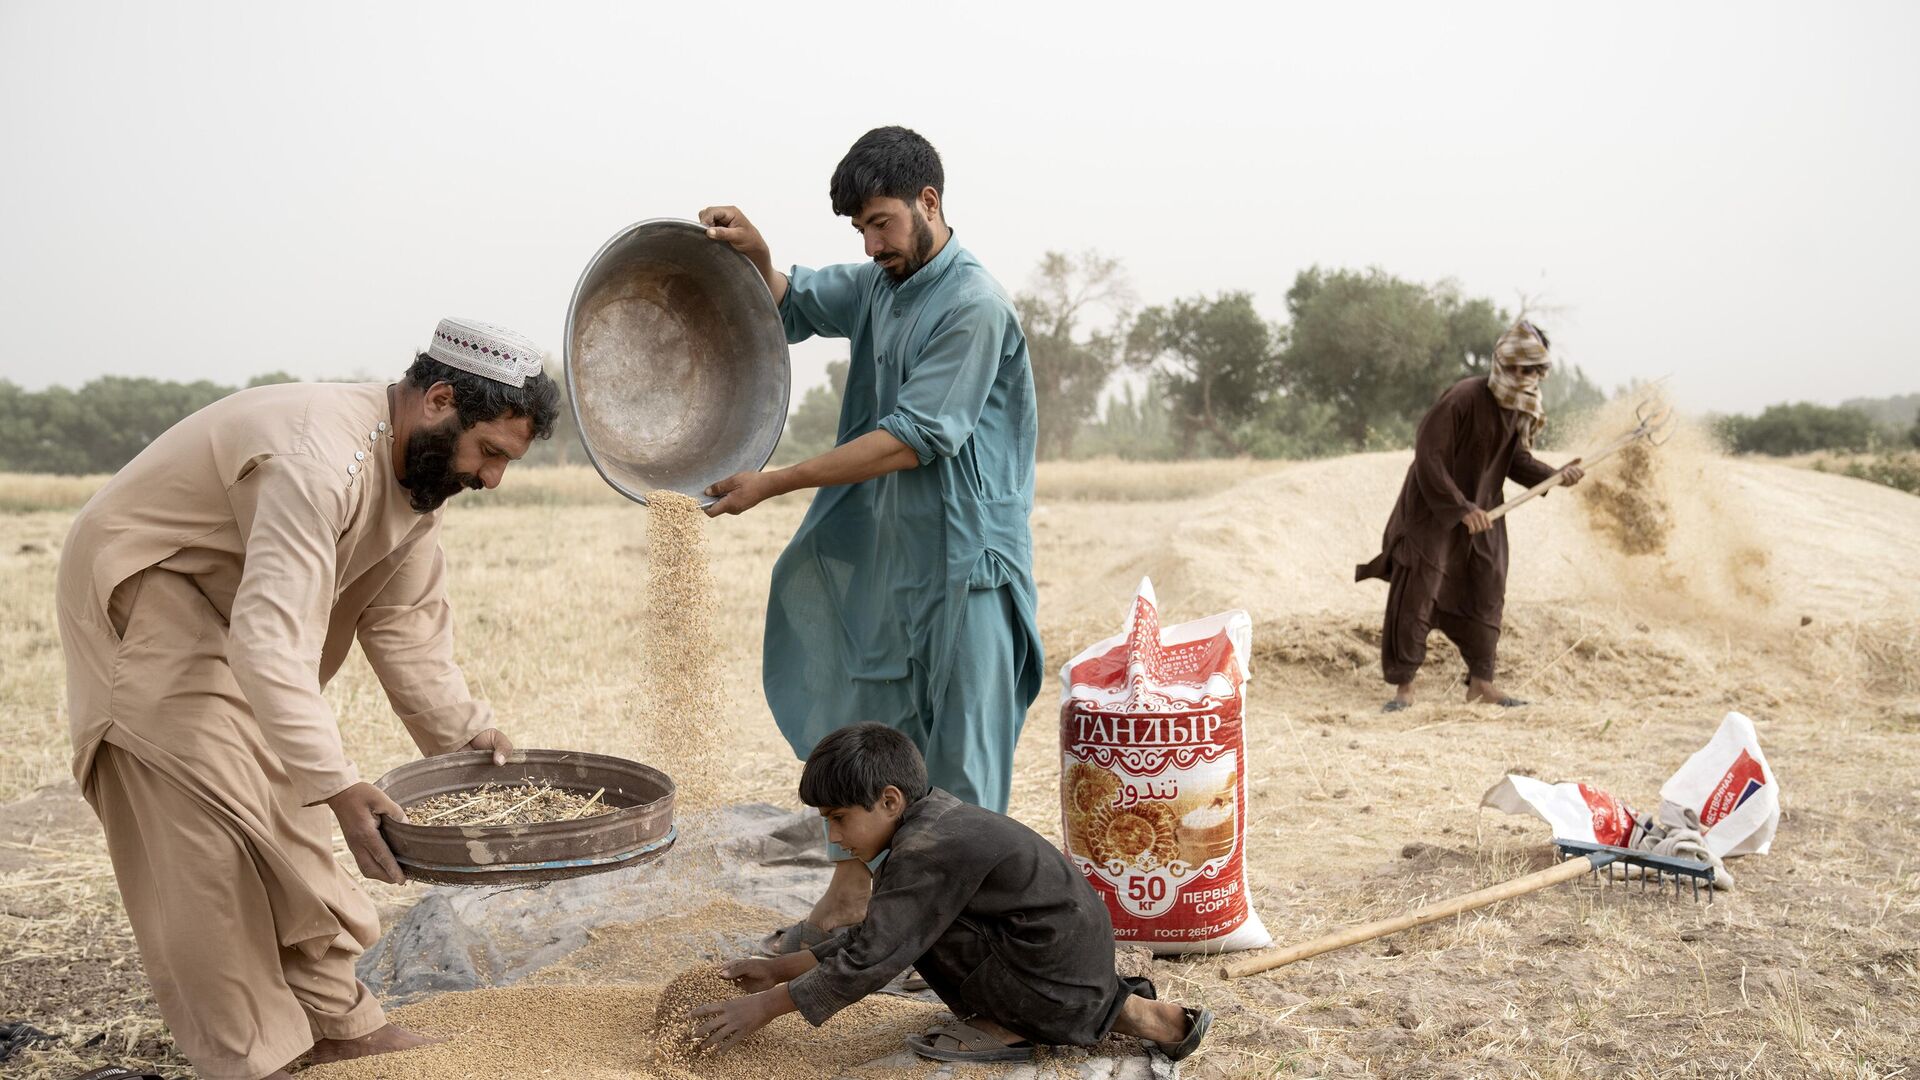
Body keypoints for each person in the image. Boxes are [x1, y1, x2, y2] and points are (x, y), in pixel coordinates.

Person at [55, 318, 561, 1080]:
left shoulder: (419, 484)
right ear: (439, 399)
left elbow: (406, 629)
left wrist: (470, 746)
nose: (491, 479)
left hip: (227, 620)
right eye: (489, 452)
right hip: (147, 591)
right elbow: (269, 641)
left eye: (505, 462)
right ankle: (253, 1059)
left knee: (285, 821)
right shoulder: (315, 460)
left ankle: (340, 1029)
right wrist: (337, 785)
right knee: (210, 844)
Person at [697, 126, 1042, 955]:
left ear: (930, 203)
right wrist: (760, 254)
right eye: (859, 230)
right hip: (896, 563)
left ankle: (965, 944)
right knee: (874, 741)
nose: (872, 243)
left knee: (960, 760)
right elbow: (795, 300)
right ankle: (848, 905)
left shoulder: (971, 304)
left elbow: (914, 436)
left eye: (883, 223)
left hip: (969, 569)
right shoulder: (883, 284)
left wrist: (775, 480)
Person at [688, 724, 1212, 1065]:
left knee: (912, 931)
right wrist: (778, 969)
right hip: (1063, 966)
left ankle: (1011, 1024)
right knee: (906, 925)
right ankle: (1142, 1016)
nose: (835, 838)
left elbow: (877, 955)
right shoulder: (934, 820)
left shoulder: (923, 853)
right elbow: (880, 937)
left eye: (839, 818)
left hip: (1050, 977)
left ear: (889, 800)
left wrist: (764, 1006)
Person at [1356, 319, 1586, 712]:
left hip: (1485, 513)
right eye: (1515, 367)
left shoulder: (1519, 409)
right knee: (1419, 589)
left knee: (1488, 584)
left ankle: (1481, 684)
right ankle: (1404, 689)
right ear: (1501, 362)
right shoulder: (1463, 397)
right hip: (1434, 511)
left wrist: (1555, 476)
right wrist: (1460, 508)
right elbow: (1429, 457)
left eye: (1530, 370)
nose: (1521, 376)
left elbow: (1516, 460)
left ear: (1539, 373)